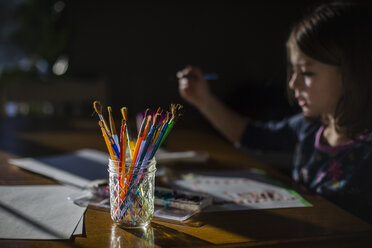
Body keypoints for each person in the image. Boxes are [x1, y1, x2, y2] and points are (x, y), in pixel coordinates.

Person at [177, 2, 372, 224]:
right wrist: (205, 101)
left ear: (352, 74)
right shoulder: (308, 126)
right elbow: (251, 136)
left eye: (306, 72)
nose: (293, 83)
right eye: (293, 70)